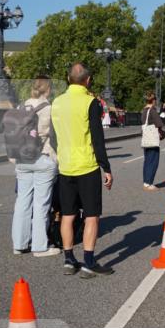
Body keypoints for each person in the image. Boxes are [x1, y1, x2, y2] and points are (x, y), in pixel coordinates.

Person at [50, 63, 114, 278]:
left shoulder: (57, 102)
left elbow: (53, 136)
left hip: (65, 166)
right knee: (91, 216)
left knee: (67, 215)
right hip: (86, 166)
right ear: (88, 80)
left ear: (68, 79)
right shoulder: (91, 103)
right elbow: (98, 139)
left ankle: (69, 259)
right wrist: (106, 167)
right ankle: (88, 261)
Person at [11, 76, 60, 257]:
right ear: (48, 90)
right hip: (43, 158)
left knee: (22, 202)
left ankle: (19, 244)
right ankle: (39, 246)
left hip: (22, 159)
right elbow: (56, 137)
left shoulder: (21, 107)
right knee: (41, 204)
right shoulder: (50, 109)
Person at [141, 91, 164, 191]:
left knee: (147, 161)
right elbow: (159, 123)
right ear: (153, 100)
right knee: (153, 161)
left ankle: (146, 182)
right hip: (152, 140)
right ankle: (149, 183)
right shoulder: (152, 111)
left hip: (146, 139)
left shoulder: (144, 111)